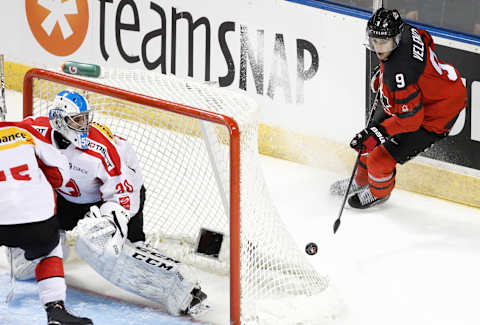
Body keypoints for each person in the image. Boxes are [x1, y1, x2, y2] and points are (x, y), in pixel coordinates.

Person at [13, 90, 208, 317]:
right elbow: (9, 134)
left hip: (118, 193)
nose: (83, 125)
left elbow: (122, 194)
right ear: (58, 120)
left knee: (104, 248)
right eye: (77, 120)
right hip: (67, 196)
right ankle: (56, 242)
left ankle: (184, 289)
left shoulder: (101, 150)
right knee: (23, 265)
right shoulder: (36, 132)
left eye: (85, 118)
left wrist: (111, 223)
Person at [330, 8, 467, 208]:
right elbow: (426, 40)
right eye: (374, 41)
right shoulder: (407, 31)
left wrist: (380, 132)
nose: (378, 47)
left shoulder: (399, 74)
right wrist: (390, 72)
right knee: (368, 139)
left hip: (438, 113)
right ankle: (360, 179)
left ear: (395, 37)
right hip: (435, 90)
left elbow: (411, 119)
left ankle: (379, 192)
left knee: (378, 158)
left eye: (383, 42)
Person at [0, 120, 93, 324]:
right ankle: (55, 309)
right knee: (49, 252)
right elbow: (60, 174)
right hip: (37, 219)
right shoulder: (23, 132)